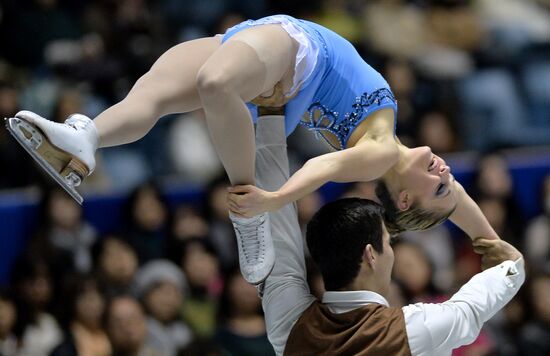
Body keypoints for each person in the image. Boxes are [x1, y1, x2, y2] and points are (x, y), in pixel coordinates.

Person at [8, 14, 497, 285]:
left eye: (440, 184)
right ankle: (86, 137)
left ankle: (246, 211)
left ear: (405, 200)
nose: (445, 170)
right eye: (450, 178)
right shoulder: (396, 146)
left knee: (213, 82)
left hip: (298, 54)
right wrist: (493, 245)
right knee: (153, 91)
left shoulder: (381, 154)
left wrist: (273, 200)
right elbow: (462, 206)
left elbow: (324, 165)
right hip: (269, 47)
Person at [243, 115, 525, 355]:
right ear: (370, 255)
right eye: (388, 243)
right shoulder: (408, 330)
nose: (393, 253)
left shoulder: (293, 326)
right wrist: (506, 260)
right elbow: (483, 297)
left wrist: (269, 116)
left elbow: (277, 228)